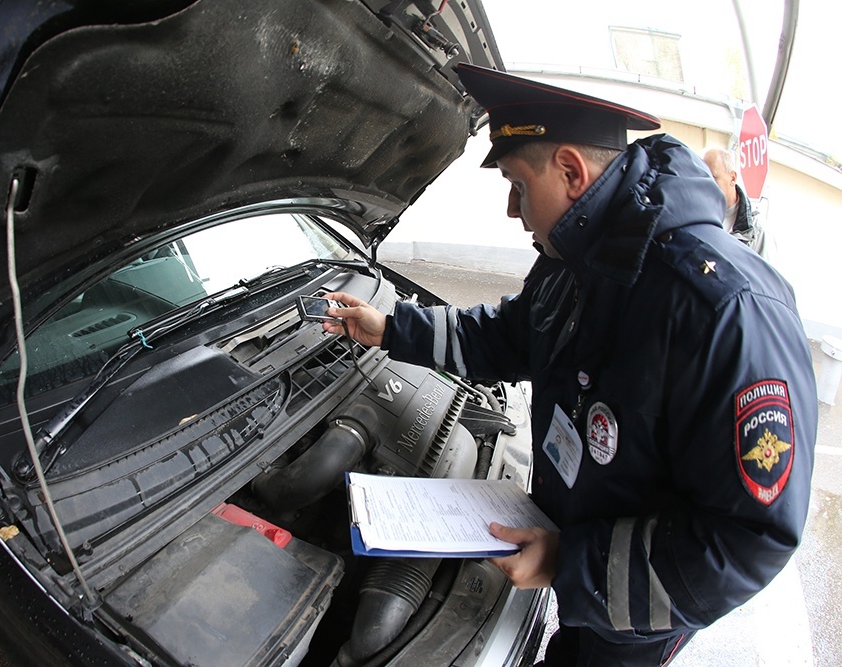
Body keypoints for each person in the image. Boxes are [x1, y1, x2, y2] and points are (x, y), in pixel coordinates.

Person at [321, 64, 816, 667]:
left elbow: (749, 541)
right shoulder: (575, 256)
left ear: (572, 174)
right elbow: (508, 336)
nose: (512, 209)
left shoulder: (723, 309)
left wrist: (570, 563)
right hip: (568, 548)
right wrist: (393, 327)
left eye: (517, 185)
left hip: (636, 615)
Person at [702, 146, 767, 257]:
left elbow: (763, 274)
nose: (706, 185)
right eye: (703, 178)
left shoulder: (756, 232)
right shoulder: (692, 216)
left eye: (713, 178)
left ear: (732, 178)